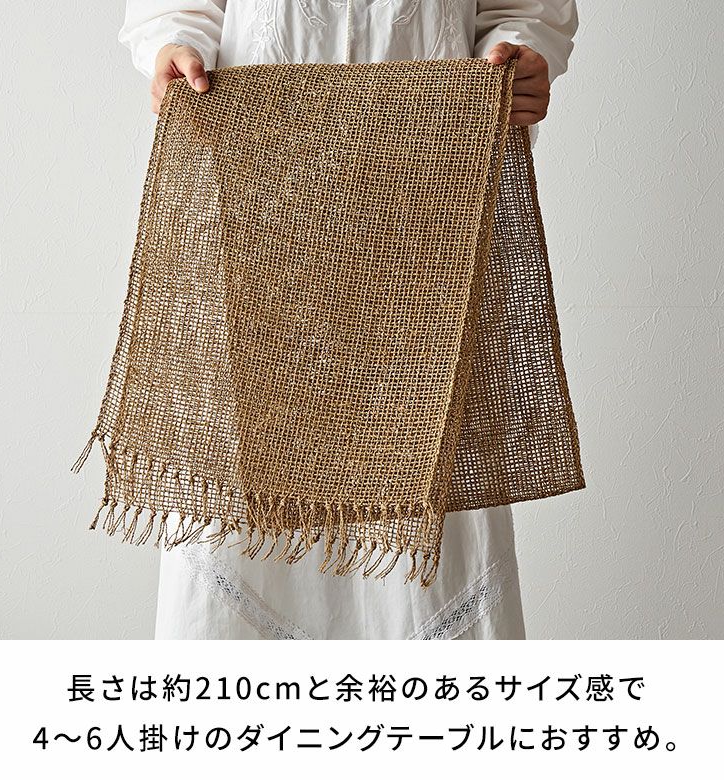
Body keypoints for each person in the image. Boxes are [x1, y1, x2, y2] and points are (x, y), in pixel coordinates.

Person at [117, 0, 578, 640]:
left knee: (428, 482)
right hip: (256, 206)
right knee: (242, 495)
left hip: (429, 210)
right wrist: (174, 43)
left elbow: (524, 8)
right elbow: (177, 10)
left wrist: (524, 51)